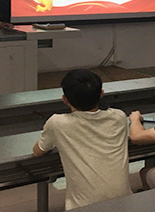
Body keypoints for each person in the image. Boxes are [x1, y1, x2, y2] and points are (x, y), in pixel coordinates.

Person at [32, 69, 131, 210]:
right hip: (124, 203)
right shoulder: (119, 116)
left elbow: (38, 151)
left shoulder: (57, 123)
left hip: (83, 207)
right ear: (101, 94)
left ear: (65, 99)